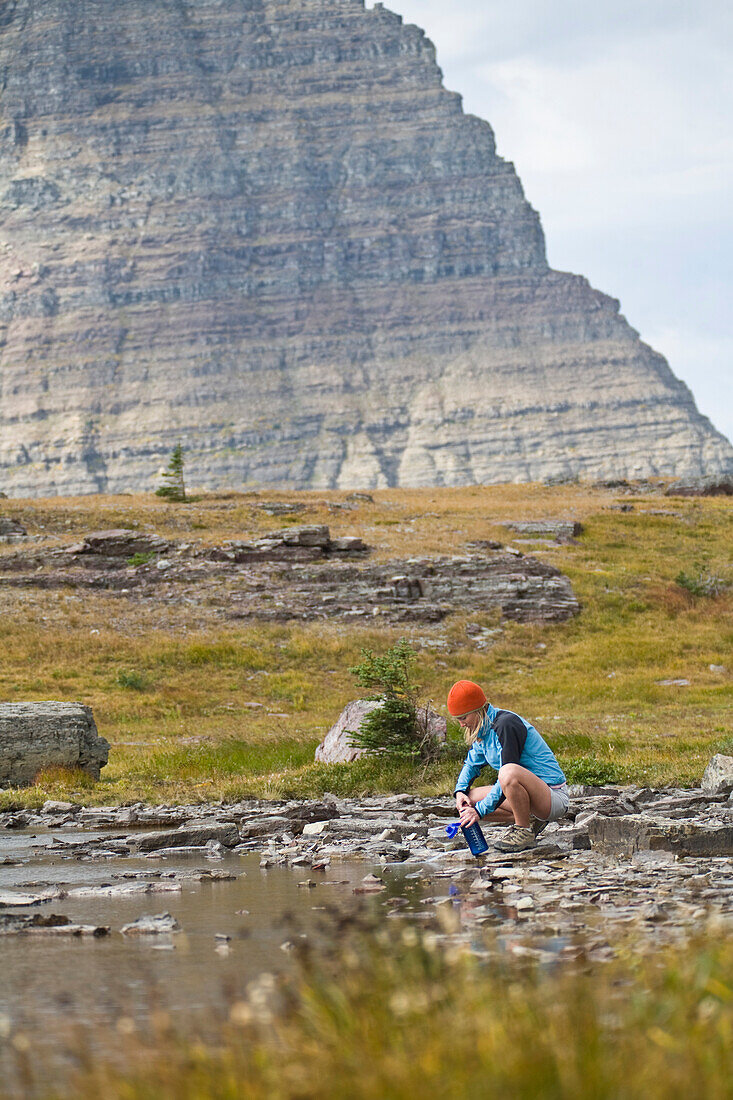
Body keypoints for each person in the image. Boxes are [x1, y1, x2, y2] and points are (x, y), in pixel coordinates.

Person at [448, 679, 568, 853]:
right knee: (469, 800)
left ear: (477, 710)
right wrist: (459, 791)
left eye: (463, 717)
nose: (461, 723)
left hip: (552, 797)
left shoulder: (506, 725)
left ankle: (523, 830)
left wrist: (480, 812)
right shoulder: (482, 731)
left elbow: (509, 775)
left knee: (507, 772)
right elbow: (472, 763)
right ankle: (533, 820)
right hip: (532, 799)